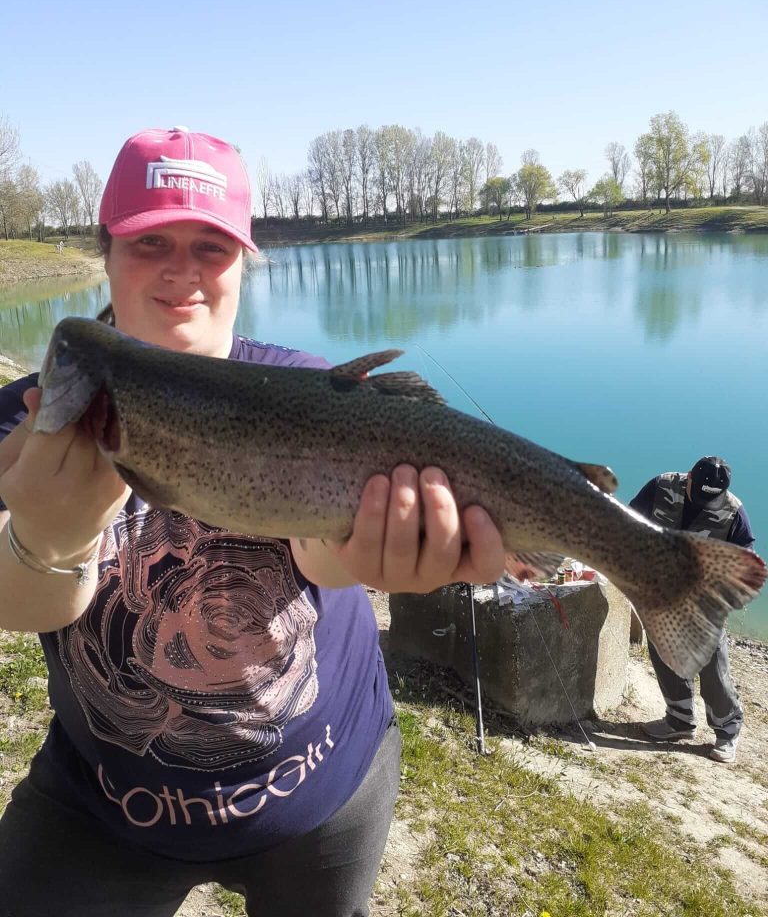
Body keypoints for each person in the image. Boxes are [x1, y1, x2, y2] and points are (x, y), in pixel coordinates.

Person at [0, 126, 506, 917]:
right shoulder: (27, 420)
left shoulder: (311, 393)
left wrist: (380, 555)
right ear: (104, 251)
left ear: (246, 258)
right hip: (104, 808)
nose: (181, 270)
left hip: (327, 793)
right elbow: (16, 606)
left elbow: (318, 557)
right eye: (150, 242)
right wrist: (50, 535)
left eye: (212, 246)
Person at [629, 456, 755, 764]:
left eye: (711, 497)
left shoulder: (733, 511)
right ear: (688, 478)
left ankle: (727, 732)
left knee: (712, 667)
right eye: (699, 493)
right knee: (663, 653)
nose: (705, 502)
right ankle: (679, 720)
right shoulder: (660, 486)